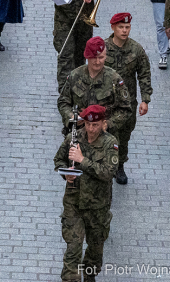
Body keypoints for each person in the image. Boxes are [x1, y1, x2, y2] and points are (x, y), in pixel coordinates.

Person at [53, 104, 117, 282]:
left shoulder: (110, 143)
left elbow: (108, 172)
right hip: (74, 203)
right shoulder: (73, 138)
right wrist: (65, 173)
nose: (90, 129)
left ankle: (89, 275)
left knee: (95, 249)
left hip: (98, 206)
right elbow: (58, 159)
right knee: (73, 249)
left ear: (103, 123)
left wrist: (83, 160)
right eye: (88, 125)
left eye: (95, 125)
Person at [103, 14, 151, 184]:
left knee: (124, 136)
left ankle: (119, 165)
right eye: (121, 27)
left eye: (127, 27)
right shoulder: (103, 48)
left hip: (127, 103)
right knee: (104, 133)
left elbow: (144, 74)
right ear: (113, 28)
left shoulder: (136, 49)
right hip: (105, 103)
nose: (124, 31)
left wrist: (146, 99)